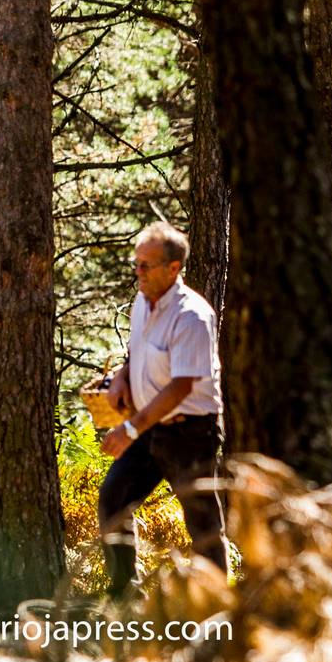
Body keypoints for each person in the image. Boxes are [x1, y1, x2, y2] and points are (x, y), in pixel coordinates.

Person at [92, 221, 226, 599]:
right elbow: (138, 348)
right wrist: (120, 377)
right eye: (136, 263)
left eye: (146, 265)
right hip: (150, 427)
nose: (138, 272)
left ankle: (218, 604)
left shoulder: (192, 317)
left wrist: (131, 429)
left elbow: (181, 385)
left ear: (173, 268)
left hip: (190, 432)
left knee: (202, 522)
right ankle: (124, 592)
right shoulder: (142, 300)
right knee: (114, 498)